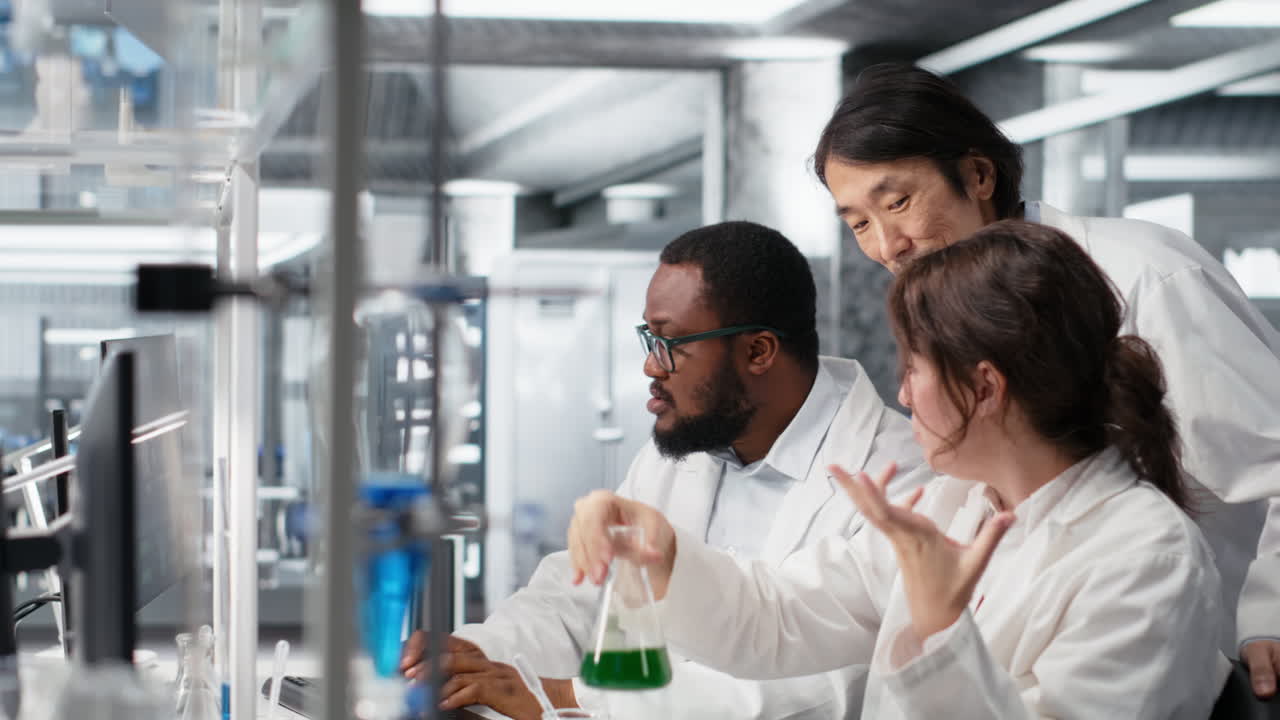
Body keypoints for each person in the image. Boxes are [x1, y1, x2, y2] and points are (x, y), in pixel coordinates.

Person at [567, 220, 1228, 719]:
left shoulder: (1147, 557)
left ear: (987, 388)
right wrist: (659, 548)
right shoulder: (955, 507)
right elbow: (774, 618)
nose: (903, 394)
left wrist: (943, 632)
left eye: (913, 367)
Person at [808, 63, 1280, 697]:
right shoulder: (960, 324)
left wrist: (1270, 614)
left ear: (978, 175)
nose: (889, 245)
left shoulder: (1144, 275)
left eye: (898, 202)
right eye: (859, 223)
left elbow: (1273, 459)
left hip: (1201, 653)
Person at [402, 220, 930, 719]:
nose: (651, 367)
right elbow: (584, 593)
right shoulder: (684, 450)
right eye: (647, 339)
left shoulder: (902, 475)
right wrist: (480, 652)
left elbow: (824, 680)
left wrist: (561, 696)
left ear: (759, 351)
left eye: (669, 343)